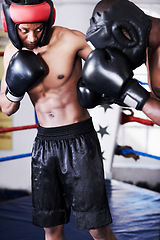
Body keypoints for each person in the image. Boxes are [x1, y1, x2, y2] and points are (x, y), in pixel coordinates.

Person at [0, 0, 117, 239]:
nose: (32, 37)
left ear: (48, 21)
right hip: (45, 143)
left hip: (79, 140)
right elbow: (7, 108)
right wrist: (15, 86)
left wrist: (102, 86)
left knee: (97, 227)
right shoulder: (13, 53)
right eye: (24, 31)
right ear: (12, 27)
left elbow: (111, 71)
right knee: (51, 228)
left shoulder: (72, 40)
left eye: (38, 29)